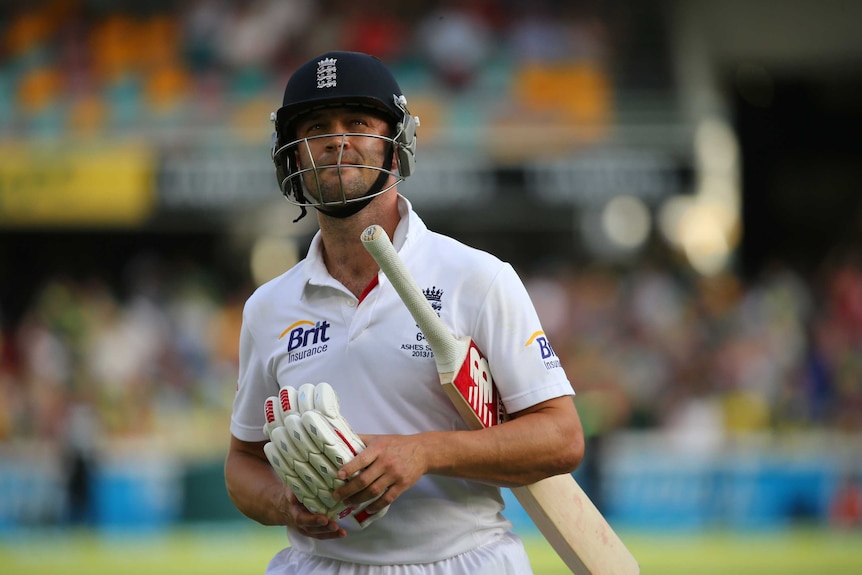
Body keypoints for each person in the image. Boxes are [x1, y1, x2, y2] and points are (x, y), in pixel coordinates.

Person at [224, 50, 585, 574]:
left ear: (397, 148)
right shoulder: (268, 307)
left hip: (460, 560)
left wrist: (422, 453)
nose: (338, 140)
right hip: (319, 562)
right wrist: (286, 503)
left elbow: (562, 437)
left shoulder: (476, 277)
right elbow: (243, 463)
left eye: (358, 123)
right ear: (292, 156)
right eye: (317, 126)